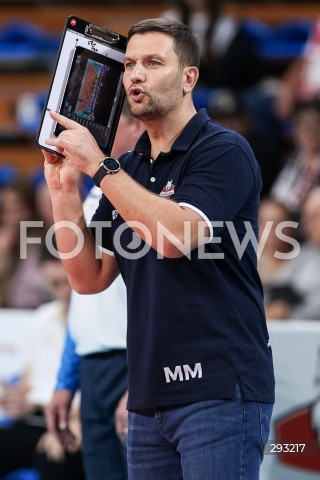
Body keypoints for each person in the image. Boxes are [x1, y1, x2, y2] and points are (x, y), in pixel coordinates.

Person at [42, 18, 275, 480]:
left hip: (218, 387)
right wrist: (63, 190)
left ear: (189, 78)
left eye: (152, 62)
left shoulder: (223, 150)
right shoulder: (129, 166)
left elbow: (174, 239)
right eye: (129, 64)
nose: (135, 75)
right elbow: (89, 279)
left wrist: (102, 168)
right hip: (149, 393)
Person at [45, 105, 144, 480]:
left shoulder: (143, 197)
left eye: (110, 126)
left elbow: (153, 300)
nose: (93, 134)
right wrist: (65, 381)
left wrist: (140, 383)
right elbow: (83, 303)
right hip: (92, 366)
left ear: (136, 128)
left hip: (133, 363)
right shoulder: (89, 198)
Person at [0, 243, 84, 479]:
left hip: (75, 423)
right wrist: (19, 399)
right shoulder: (43, 318)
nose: (64, 292)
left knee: (55, 458)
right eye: (54, 284)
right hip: (34, 421)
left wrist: (69, 422)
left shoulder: (97, 325)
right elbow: (28, 379)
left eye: (66, 282)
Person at [265, 186, 320, 321]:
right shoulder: (305, 253)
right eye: (305, 218)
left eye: (314, 217)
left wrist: (288, 313)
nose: (307, 225)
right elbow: (276, 287)